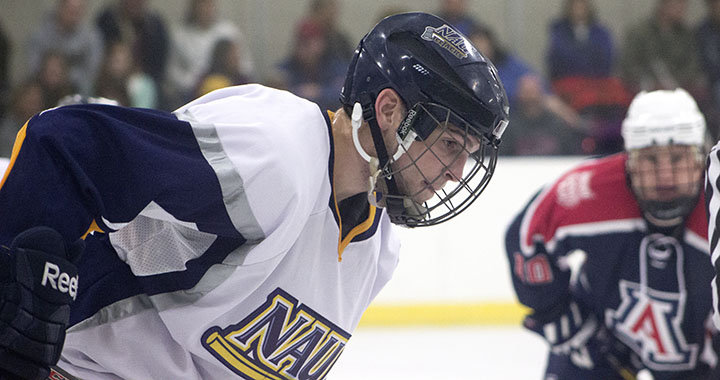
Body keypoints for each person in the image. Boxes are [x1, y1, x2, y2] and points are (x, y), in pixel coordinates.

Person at [0, 12, 509, 379]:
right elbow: (66, 144)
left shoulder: (376, 251)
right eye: (449, 144)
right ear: (390, 110)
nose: (456, 171)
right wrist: (20, 296)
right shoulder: (272, 157)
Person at [506, 88, 720, 379]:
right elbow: (528, 235)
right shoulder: (592, 189)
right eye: (651, 160)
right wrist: (557, 315)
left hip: (701, 355)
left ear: (699, 156)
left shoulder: (714, 208)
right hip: (600, 348)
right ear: (629, 158)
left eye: (678, 158)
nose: (666, 175)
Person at [166, 0, 255, 108]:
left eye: (209, 5)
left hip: (231, 86)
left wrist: (235, 79)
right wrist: (191, 83)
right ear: (194, 8)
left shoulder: (229, 31)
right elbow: (172, 70)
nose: (206, 9)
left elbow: (246, 64)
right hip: (193, 91)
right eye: (202, 5)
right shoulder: (180, 35)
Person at [26, 0, 103, 97]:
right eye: (70, 10)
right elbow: (33, 67)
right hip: (43, 85)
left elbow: (92, 70)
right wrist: (52, 74)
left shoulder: (91, 37)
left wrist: (65, 77)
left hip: (76, 88)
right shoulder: (40, 34)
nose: (74, 15)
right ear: (60, 8)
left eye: (78, 11)